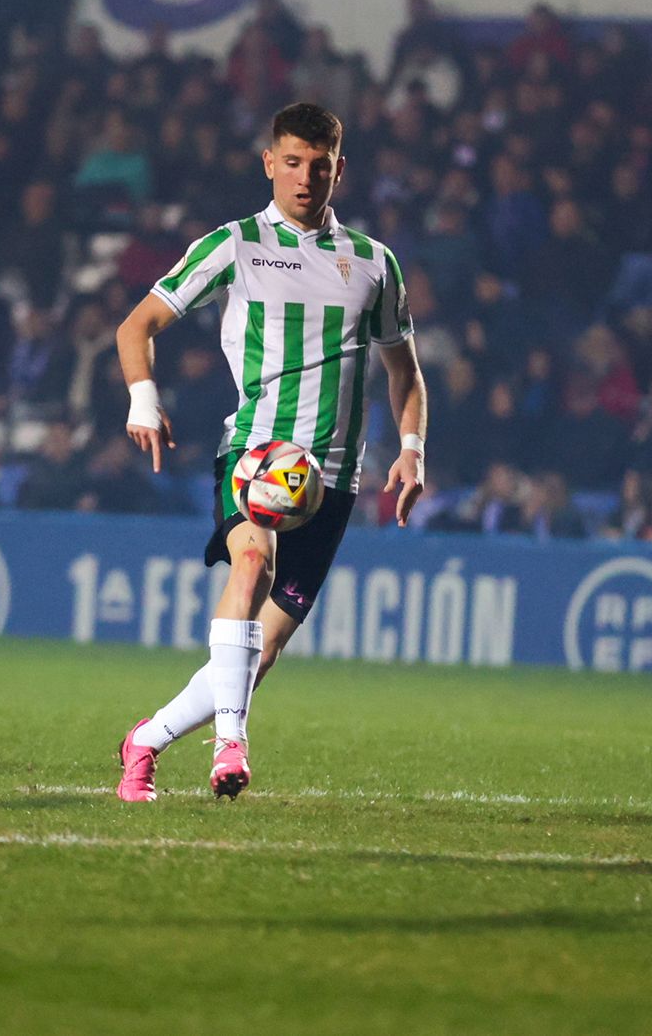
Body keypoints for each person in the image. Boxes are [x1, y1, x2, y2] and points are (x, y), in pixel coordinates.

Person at [114, 103, 428, 802]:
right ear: (269, 163)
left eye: (319, 165)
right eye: (292, 162)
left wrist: (412, 448)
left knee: (264, 649)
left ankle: (146, 740)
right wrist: (143, 399)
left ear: (339, 170)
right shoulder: (235, 245)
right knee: (251, 562)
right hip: (257, 457)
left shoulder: (374, 264)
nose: (305, 177)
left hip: (334, 480)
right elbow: (138, 325)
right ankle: (232, 746)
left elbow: (404, 371)